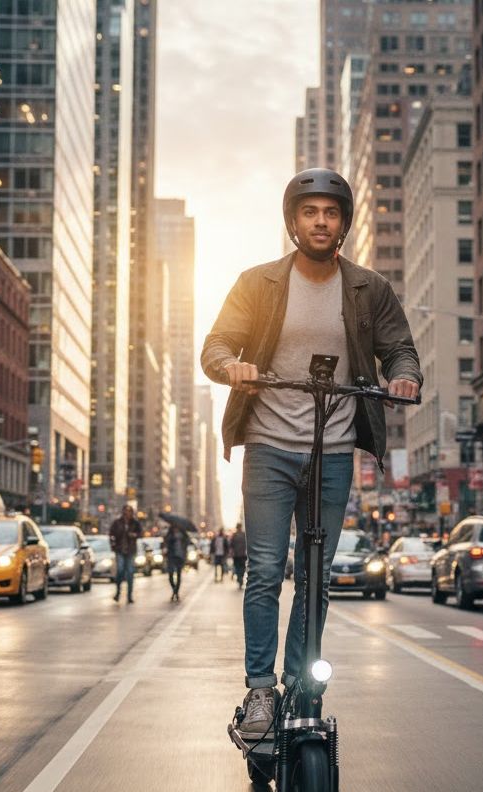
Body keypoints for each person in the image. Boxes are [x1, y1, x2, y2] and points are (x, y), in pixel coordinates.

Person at [201, 167, 422, 737]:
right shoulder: (258, 283)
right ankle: (260, 690)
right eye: (310, 212)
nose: (320, 221)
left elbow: (399, 348)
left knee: (316, 576)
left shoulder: (369, 288)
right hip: (269, 447)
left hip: (334, 450)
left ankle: (301, 680)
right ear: (293, 222)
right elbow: (217, 344)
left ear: (343, 223)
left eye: (330, 212)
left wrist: (403, 377)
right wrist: (232, 366)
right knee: (265, 570)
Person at [109, 505, 142, 604]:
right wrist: (113, 545)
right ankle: (118, 592)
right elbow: (111, 534)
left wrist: (134, 535)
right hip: (120, 550)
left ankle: (129, 595)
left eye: (129, 511)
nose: (127, 513)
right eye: (126, 511)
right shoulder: (117, 523)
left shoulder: (135, 523)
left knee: (130, 572)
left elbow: (140, 533)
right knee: (120, 570)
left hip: (130, 551)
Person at [164, 523, 191, 602]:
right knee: (170, 576)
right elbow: (166, 542)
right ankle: (174, 591)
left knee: (179, 575)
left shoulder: (183, 536)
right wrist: (172, 538)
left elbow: (188, 541)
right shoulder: (170, 535)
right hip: (171, 557)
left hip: (180, 557)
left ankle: (176, 592)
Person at [231, 523, 248, 589]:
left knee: (238, 567)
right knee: (242, 568)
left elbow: (231, 545)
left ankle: (239, 579)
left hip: (236, 555)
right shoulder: (244, 535)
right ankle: (240, 578)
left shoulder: (234, 535)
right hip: (242, 555)